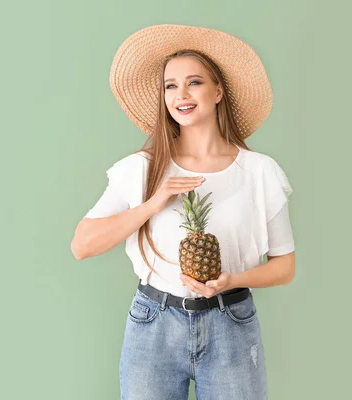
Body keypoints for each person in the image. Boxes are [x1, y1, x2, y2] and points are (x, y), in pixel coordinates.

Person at [71, 24, 296, 400]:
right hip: (153, 322)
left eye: (194, 82)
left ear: (218, 91)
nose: (181, 95)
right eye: (170, 86)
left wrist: (232, 279)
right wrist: (152, 203)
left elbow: (284, 267)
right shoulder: (141, 168)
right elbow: (82, 245)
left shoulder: (260, 171)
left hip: (232, 321)